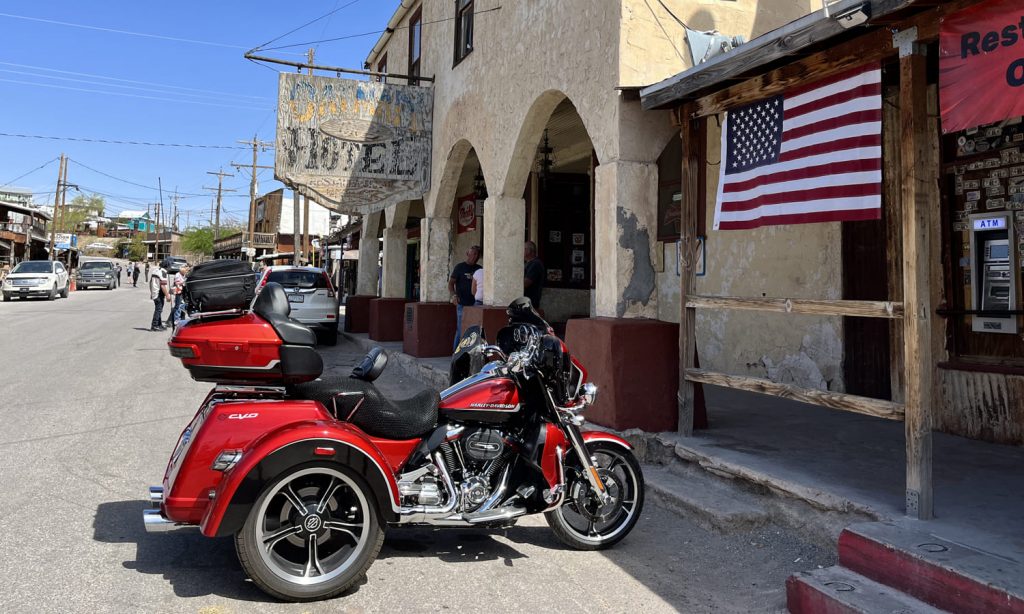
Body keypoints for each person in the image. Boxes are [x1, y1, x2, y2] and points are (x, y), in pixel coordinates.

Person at [448, 245, 481, 349]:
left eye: (477, 254)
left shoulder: (479, 269)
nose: (475, 256)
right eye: (473, 254)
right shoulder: (459, 267)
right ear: (468, 254)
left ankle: (468, 353)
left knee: (473, 331)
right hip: (462, 303)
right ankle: (456, 354)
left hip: (475, 304)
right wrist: (453, 296)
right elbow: (451, 283)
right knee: (460, 329)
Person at [149, 260, 171, 332]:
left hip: (155, 292)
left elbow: (150, 282)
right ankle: (154, 325)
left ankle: (159, 324)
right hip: (159, 293)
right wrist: (167, 295)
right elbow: (163, 286)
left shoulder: (155, 271)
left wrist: (151, 292)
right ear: (167, 266)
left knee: (159, 309)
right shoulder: (163, 272)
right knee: (158, 310)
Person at [523, 240, 545, 308]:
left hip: (530, 303)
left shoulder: (535, 264)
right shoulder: (529, 263)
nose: (521, 251)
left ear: (529, 250)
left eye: (524, 249)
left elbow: (526, 283)